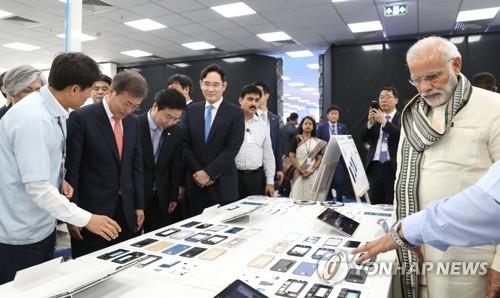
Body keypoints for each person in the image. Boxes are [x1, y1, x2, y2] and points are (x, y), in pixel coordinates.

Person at [0, 53, 120, 284]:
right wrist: (86, 219)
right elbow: (38, 188)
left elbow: (42, 165)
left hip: (40, 224)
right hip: (19, 234)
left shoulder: (53, 112)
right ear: (75, 89)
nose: (91, 97)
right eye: (89, 90)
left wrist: (58, 179)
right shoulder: (34, 118)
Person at [395, 36, 500, 298]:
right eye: (416, 80)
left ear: (456, 64)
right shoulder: (413, 116)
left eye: (433, 76)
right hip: (416, 248)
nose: (425, 87)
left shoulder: (494, 108)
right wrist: (404, 232)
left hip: (470, 256)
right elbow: (403, 177)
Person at [65, 70, 147, 258]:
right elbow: (72, 170)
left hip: (125, 209)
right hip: (91, 211)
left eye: (136, 106)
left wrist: (138, 205)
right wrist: (73, 215)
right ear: (111, 92)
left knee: (124, 262)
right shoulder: (82, 118)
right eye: (127, 103)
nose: (129, 110)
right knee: (90, 266)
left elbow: (136, 166)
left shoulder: (133, 123)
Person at [354, 160, 500, 264]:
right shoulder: (412, 117)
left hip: (469, 257)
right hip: (419, 247)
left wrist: (498, 266)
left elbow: (489, 202)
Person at [182, 64, 244, 216]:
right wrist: (198, 171)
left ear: (224, 86)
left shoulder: (235, 113)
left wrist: (209, 173)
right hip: (195, 185)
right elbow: (184, 144)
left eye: (215, 85)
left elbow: (232, 148)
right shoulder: (190, 110)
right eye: (207, 84)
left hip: (223, 185)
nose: (210, 89)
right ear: (200, 84)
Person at [139, 88, 186, 232]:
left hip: (160, 196)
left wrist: (172, 196)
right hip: (137, 195)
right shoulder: (133, 125)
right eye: (168, 116)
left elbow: (175, 165)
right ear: (155, 106)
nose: (171, 122)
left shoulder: (177, 132)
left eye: (176, 119)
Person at [362, 87, 401, 205]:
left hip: (392, 166)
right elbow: (364, 138)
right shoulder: (375, 117)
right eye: (381, 97)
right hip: (375, 166)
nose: (383, 100)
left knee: (391, 202)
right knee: (375, 203)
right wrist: (370, 124)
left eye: (388, 97)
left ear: (396, 100)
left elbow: (400, 136)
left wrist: (384, 122)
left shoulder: (402, 117)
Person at [235, 84, 275, 198]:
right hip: (233, 177)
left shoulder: (262, 125)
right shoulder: (231, 122)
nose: (253, 103)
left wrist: (270, 182)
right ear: (240, 100)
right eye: (250, 99)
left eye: (257, 100)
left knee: (256, 214)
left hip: (256, 178)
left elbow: (268, 155)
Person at [288, 116, 326, 200]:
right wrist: (300, 170)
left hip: (312, 173)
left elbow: (319, 158)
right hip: (298, 172)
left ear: (313, 127)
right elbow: (291, 156)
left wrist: (312, 170)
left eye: (310, 124)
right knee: (298, 196)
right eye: (306, 123)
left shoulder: (317, 142)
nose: (308, 125)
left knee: (312, 197)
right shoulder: (297, 139)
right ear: (302, 125)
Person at [253, 81, 284, 186]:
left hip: (271, 167)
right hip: (253, 168)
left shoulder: (274, 118)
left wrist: (279, 168)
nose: (255, 96)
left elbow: (277, 145)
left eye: (259, 93)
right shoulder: (248, 116)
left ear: (266, 96)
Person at [316, 105, 348, 201]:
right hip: (325, 159)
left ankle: (339, 201)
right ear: (327, 115)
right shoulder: (322, 127)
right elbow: (318, 143)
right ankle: (328, 201)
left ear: (338, 115)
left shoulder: (342, 127)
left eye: (336, 114)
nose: (334, 116)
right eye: (332, 114)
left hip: (339, 159)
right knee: (326, 183)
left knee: (339, 182)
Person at [280, 112, 299, 197]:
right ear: (296, 119)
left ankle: (281, 190)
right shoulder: (294, 130)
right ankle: (287, 192)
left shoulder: (282, 127)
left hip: (282, 153)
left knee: (283, 172)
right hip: (289, 154)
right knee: (289, 173)